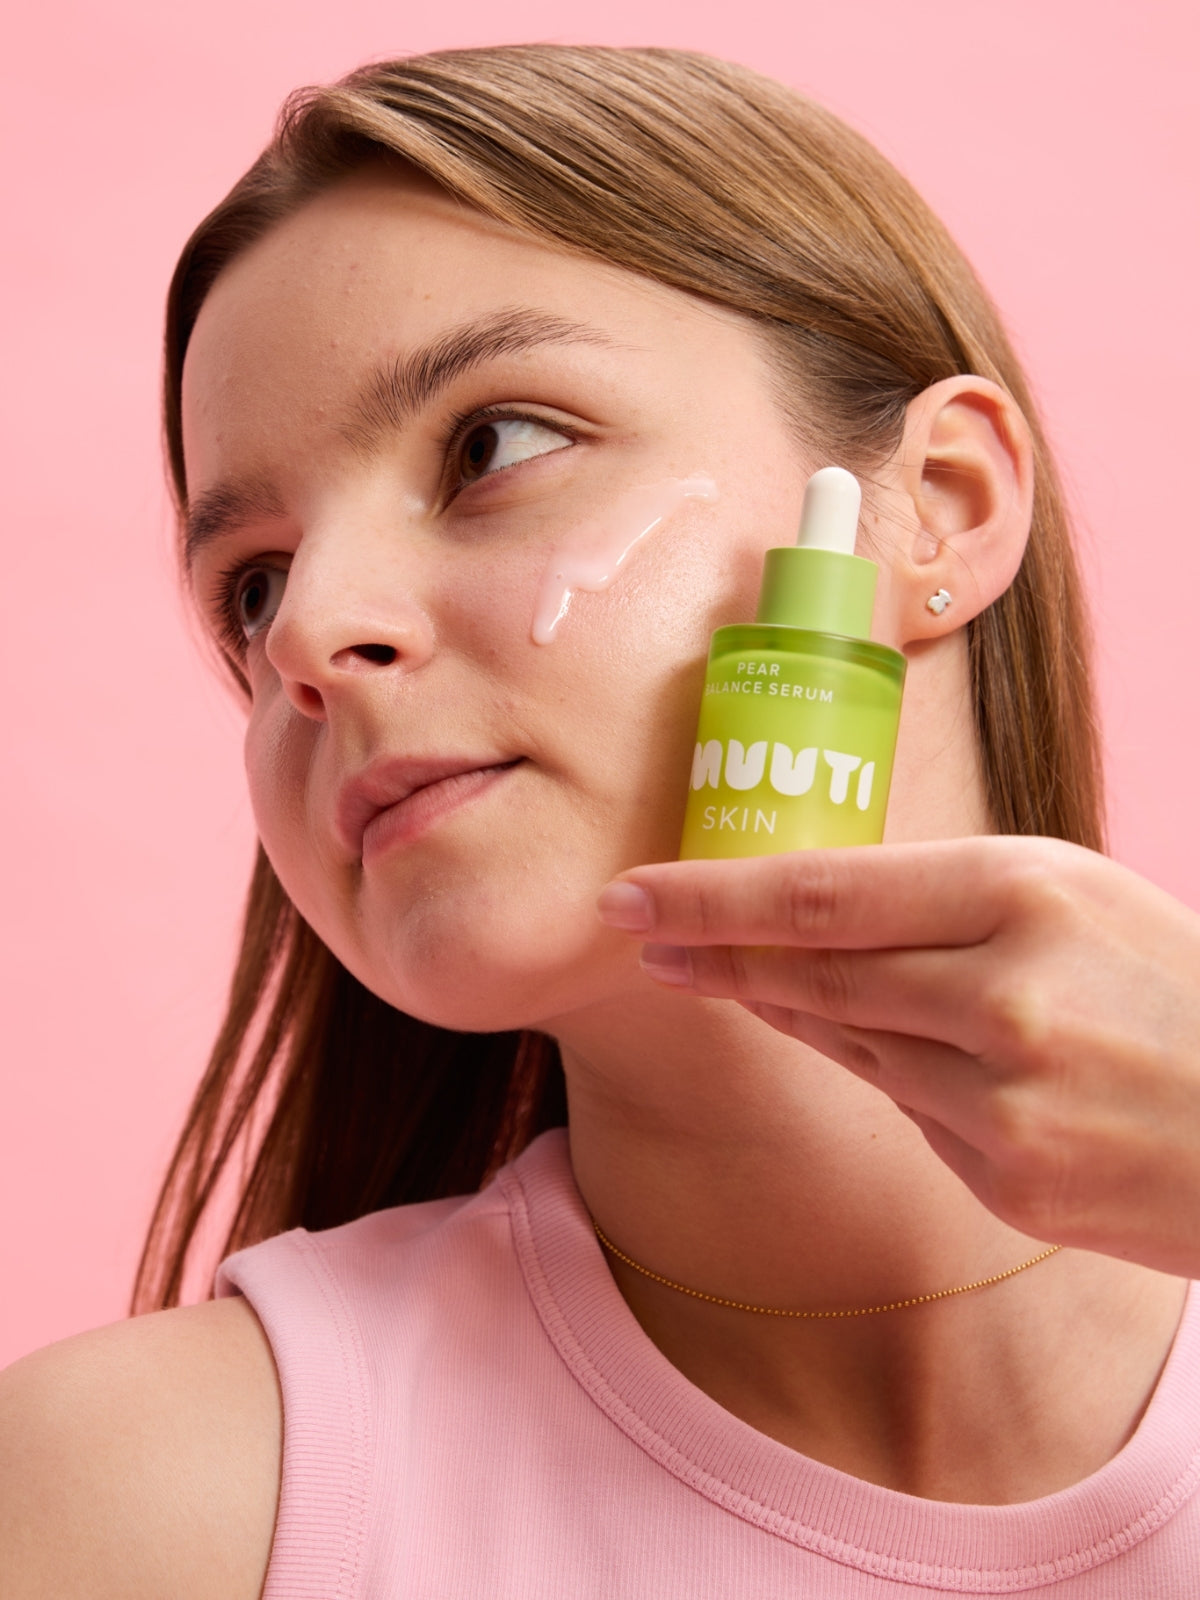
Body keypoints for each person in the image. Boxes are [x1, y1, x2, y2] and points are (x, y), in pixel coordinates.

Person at [4, 43, 1200, 1598]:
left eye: (493, 445)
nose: (310, 636)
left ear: (942, 507)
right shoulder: (135, 1507)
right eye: (254, 585)